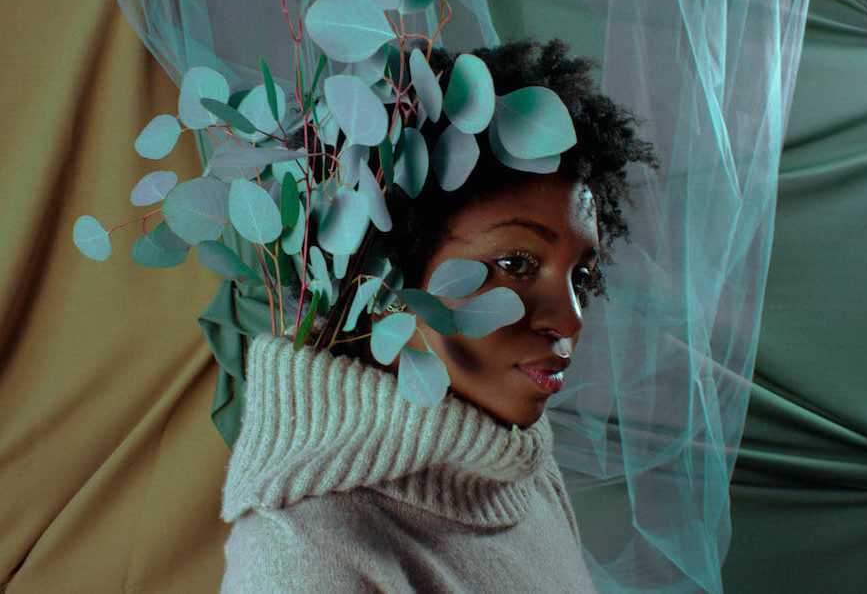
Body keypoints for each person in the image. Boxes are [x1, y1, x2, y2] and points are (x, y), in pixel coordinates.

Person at [219, 38, 657, 592]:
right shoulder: (303, 555)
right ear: (387, 269)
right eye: (516, 264)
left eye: (582, 276)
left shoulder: (515, 463)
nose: (570, 321)